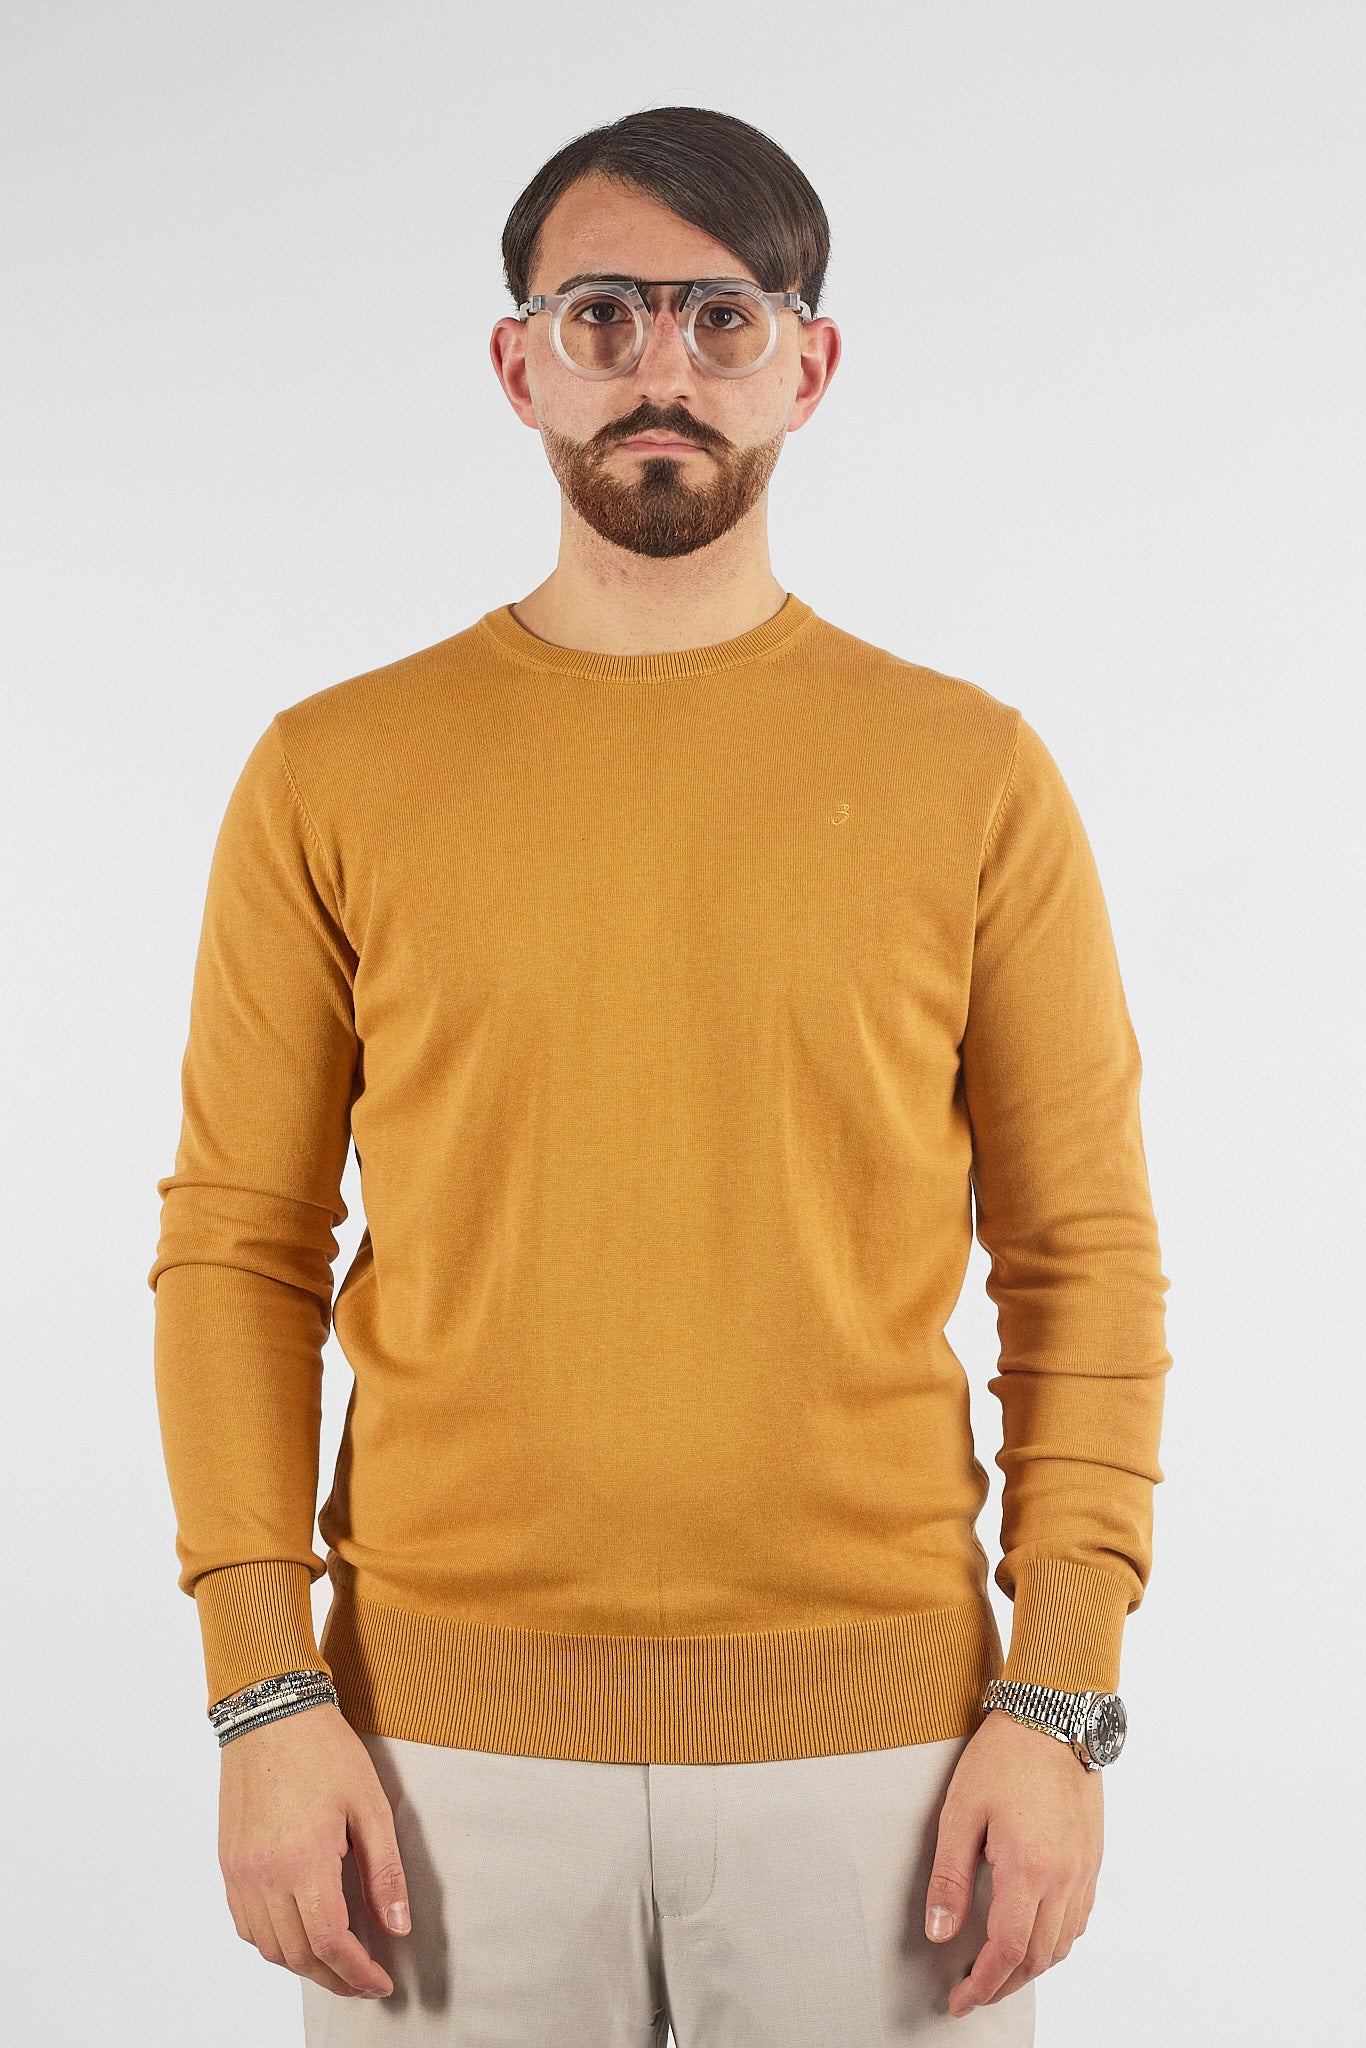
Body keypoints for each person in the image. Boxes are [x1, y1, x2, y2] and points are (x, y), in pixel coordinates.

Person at [148, 104, 1171, 2045]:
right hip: (427, 1763)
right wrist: (262, 1689)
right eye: (601, 314)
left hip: (885, 1769)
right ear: (517, 361)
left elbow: (1082, 1259)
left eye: (722, 316)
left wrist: (1057, 1699)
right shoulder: (330, 771)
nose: (662, 371)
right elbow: (238, 1250)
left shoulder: (970, 774)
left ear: (809, 363)